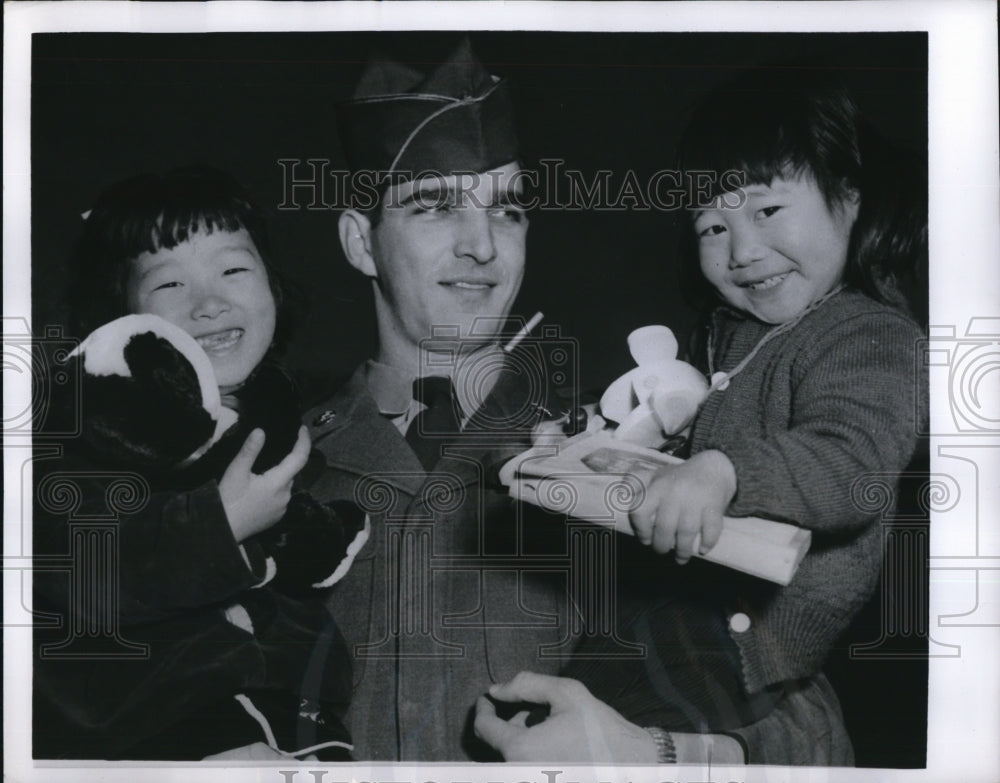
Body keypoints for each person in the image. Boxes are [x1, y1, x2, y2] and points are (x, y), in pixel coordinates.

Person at [476, 68, 926, 765]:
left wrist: (721, 471)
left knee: (580, 740)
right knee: (534, 726)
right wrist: (589, 442)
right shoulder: (732, 334)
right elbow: (675, 436)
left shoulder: (870, 336)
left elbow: (852, 463)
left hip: (740, 637)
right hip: (665, 604)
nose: (742, 251)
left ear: (850, 196)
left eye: (767, 211)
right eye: (713, 225)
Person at [304, 40, 579, 761]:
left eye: (509, 210)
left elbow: (759, 704)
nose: (483, 245)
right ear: (362, 243)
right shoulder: (282, 466)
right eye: (434, 206)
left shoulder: (604, 450)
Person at [33, 166, 364, 760]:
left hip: (293, 719)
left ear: (274, 286)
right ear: (120, 312)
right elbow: (82, 575)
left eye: (234, 270)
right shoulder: (94, 426)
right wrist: (221, 523)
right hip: (151, 726)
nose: (210, 304)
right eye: (169, 285)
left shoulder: (280, 422)